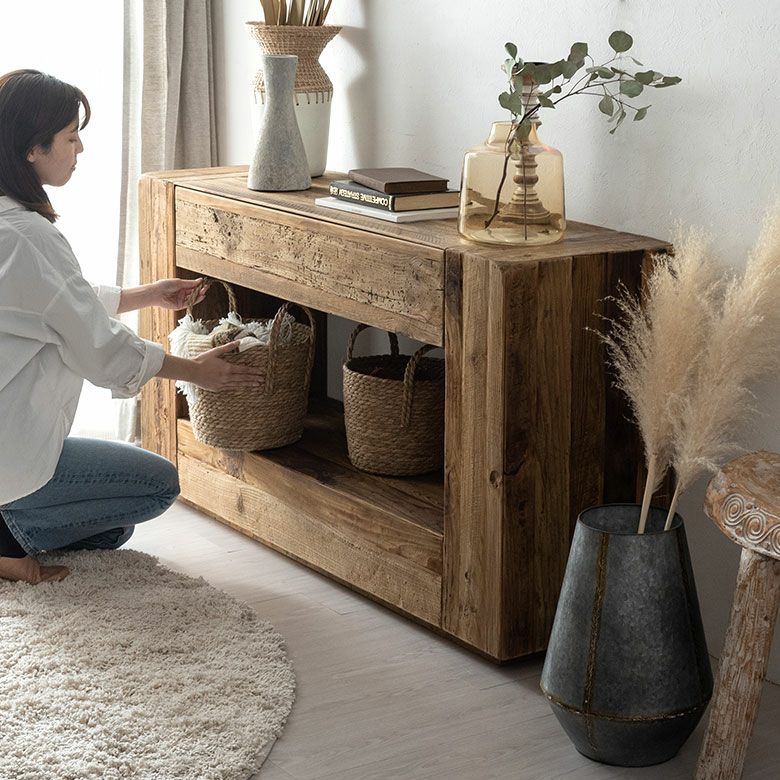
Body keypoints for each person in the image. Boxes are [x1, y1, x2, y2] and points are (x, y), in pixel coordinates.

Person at [0, 69, 264, 585]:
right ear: (32, 148)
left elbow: (53, 306)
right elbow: (98, 347)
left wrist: (148, 294)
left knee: (113, 529)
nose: (79, 149)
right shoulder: (29, 236)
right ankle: (6, 539)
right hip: (10, 456)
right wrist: (196, 371)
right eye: (71, 137)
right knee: (158, 486)